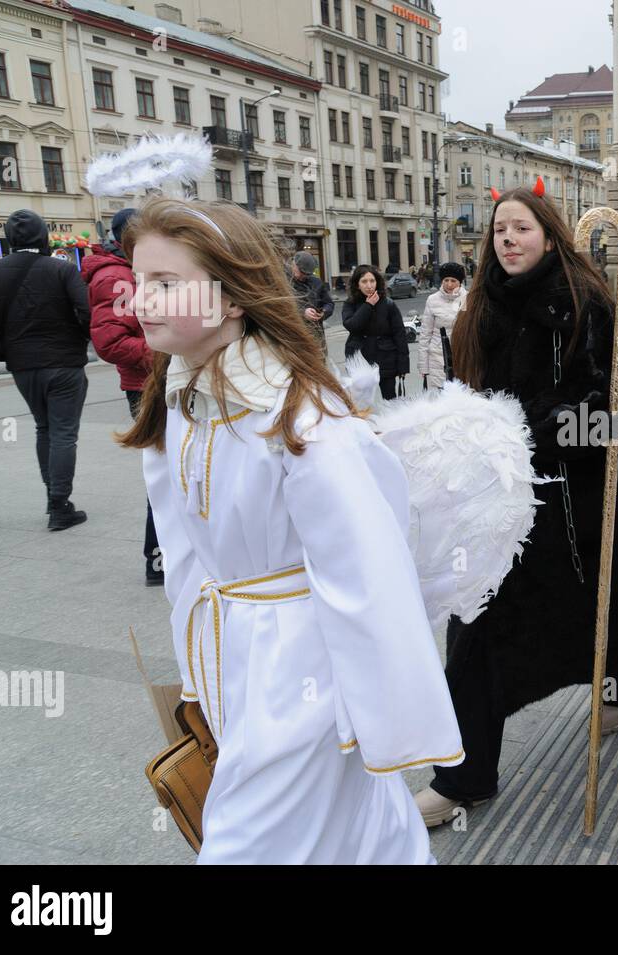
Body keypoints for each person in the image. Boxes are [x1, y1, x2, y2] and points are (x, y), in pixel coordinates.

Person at [120, 197, 462, 863]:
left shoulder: (298, 417)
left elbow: (368, 562)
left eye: (164, 283)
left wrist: (382, 710)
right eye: (138, 281)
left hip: (300, 671)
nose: (141, 300)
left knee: (248, 843)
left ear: (231, 298)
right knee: (350, 831)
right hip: (235, 662)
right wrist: (198, 667)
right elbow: (185, 548)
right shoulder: (182, 398)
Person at [414, 184, 618, 826]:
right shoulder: (478, 308)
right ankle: (464, 777)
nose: (508, 240)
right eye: (499, 231)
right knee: (476, 626)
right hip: (496, 505)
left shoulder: (587, 302)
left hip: (576, 501)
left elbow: (612, 415)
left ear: (548, 233)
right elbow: (465, 396)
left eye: (521, 228)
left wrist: (524, 435)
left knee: (605, 602)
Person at [0, 209, 91, 530]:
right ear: (43, 235)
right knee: (64, 433)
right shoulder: (62, 270)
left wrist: (9, 350)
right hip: (65, 363)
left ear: (10, 240)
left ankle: (53, 497)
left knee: (44, 429)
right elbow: (86, 312)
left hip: (24, 367)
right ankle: (59, 505)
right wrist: (79, 340)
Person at [82, 208, 162, 583]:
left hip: (156, 379)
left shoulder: (138, 268)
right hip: (144, 383)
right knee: (165, 468)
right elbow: (110, 341)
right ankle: (157, 557)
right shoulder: (115, 276)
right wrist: (165, 356)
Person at [341, 266, 409, 399]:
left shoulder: (388, 304)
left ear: (377, 282)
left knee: (390, 400)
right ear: (357, 284)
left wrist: (403, 366)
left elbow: (400, 335)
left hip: (385, 358)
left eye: (372, 281)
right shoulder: (350, 304)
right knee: (361, 402)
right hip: (360, 359)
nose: (369, 285)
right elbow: (352, 325)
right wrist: (368, 305)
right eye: (364, 281)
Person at [420, 261, 466, 390]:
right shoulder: (432, 300)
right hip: (437, 358)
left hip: (462, 356)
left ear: (460, 282)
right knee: (439, 399)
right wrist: (424, 366)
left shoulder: (468, 298)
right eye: (446, 280)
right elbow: (425, 334)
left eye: (453, 280)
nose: (449, 284)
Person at [289, 251, 333, 353]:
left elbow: (329, 303)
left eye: (307, 274)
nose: (303, 276)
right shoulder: (283, 282)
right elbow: (280, 307)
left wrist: (324, 312)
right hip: (294, 340)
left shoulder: (316, 282)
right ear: (294, 264)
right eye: (301, 272)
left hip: (316, 339)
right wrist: (302, 312)